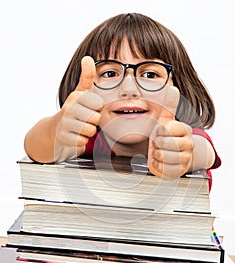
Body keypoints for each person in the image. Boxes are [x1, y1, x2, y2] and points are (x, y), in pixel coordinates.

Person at [24, 12, 221, 182]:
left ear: (179, 86)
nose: (129, 89)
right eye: (110, 74)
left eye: (150, 75)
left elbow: (202, 152)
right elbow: (36, 146)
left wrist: (178, 152)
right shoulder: (89, 138)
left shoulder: (189, 136)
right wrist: (58, 130)